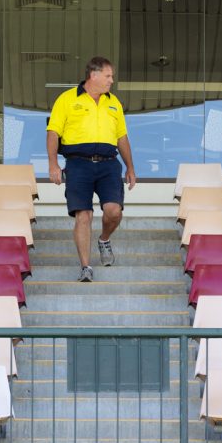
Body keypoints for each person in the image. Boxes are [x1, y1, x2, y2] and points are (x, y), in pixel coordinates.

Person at [46, 56, 137, 282]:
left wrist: (130, 167)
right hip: (78, 164)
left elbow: (122, 137)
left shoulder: (113, 102)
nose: (111, 81)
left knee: (114, 210)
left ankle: (104, 239)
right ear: (93, 75)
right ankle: (86, 267)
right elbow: (53, 133)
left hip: (108, 164)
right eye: (108, 76)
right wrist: (53, 164)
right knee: (83, 215)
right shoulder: (67, 99)